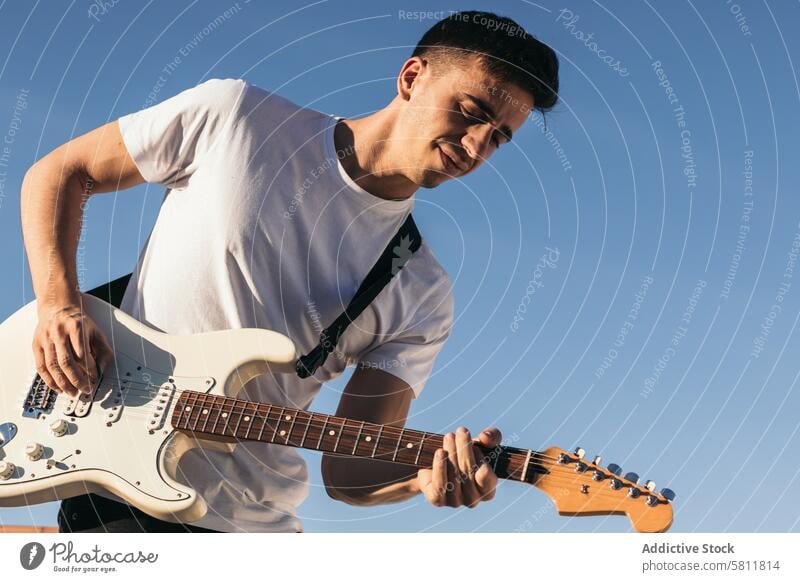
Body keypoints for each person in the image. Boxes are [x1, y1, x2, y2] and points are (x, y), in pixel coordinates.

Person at [19, 10, 559, 532]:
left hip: (260, 530)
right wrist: (58, 302)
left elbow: (350, 472)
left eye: (500, 136)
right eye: (470, 111)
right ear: (413, 78)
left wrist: (422, 479)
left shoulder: (422, 290)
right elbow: (63, 172)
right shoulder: (236, 119)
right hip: (124, 500)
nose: (477, 146)